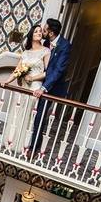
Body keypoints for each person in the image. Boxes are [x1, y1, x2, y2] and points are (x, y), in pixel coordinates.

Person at [1, 25, 50, 153]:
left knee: (28, 114)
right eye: (36, 31)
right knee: (18, 112)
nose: (39, 33)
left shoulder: (46, 51)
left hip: (35, 86)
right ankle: (12, 139)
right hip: (23, 86)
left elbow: (47, 73)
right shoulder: (26, 53)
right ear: (31, 35)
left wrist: (32, 79)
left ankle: (23, 143)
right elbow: (17, 71)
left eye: (40, 31)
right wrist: (6, 81)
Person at [29, 18, 71, 154]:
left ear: (51, 33)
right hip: (39, 83)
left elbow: (58, 70)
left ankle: (34, 148)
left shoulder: (65, 46)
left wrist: (43, 88)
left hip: (51, 88)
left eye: (45, 30)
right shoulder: (46, 42)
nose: (43, 32)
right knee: (32, 115)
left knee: (40, 116)